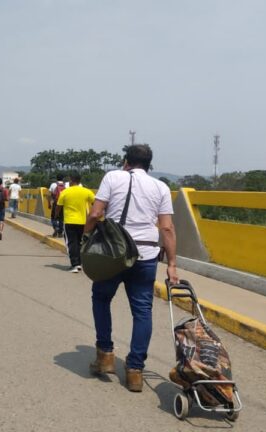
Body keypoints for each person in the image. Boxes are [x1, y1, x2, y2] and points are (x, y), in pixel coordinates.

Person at [85, 144, 179, 393]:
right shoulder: (161, 187)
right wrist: (172, 264)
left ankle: (105, 355)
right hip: (147, 255)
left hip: (113, 254)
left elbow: (95, 213)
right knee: (142, 311)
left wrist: (85, 237)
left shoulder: (113, 176)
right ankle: (135, 371)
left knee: (102, 298)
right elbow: (167, 228)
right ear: (149, 164)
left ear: (126, 161)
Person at [55, 171, 94, 273]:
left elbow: (58, 207)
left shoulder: (65, 192)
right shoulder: (87, 191)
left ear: (71, 180)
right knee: (80, 243)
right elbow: (95, 203)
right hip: (83, 222)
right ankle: (80, 263)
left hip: (69, 221)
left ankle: (75, 264)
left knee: (71, 243)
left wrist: (56, 216)